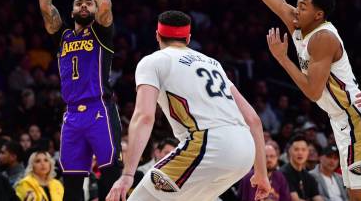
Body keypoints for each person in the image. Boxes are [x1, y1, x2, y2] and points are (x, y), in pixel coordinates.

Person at [210, 0, 361, 200]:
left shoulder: (323, 39)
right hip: (340, 120)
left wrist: (282, 58)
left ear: (318, 15)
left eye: (302, 7)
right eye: (297, 3)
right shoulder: (298, 23)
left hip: (357, 121)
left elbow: (313, 91)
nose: (295, 9)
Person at [106, 11, 271, 201]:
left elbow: (144, 116)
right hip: (245, 151)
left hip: (209, 145)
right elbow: (253, 120)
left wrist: (127, 175)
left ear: (157, 36)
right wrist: (261, 173)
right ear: (189, 38)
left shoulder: (153, 61)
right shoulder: (213, 64)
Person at [39, 0, 122, 200]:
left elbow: (106, 4)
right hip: (72, 115)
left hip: (100, 108)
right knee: (72, 181)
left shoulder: (101, 33)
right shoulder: (62, 35)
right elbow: (44, 4)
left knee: (110, 173)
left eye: (89, 2)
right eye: (79, 3)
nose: (84, 5)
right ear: (72, 10)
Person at [280, 135, 323, 201]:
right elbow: (295, 199)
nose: (300, 153)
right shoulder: (283, 173)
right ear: (289, 151)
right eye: (296, 149)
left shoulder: (310, 177)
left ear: (307, 152)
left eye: (303, 149)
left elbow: (317, 197)